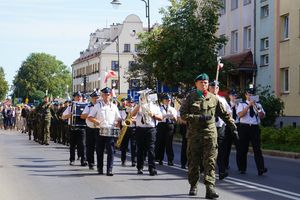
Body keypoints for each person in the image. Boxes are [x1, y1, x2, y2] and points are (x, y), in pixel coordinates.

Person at [180, 73, 237, 199]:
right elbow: (183, 115)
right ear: (196, 84)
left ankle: (209, 188)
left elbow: (224, 114)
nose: (204, 84)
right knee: (193, 161)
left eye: (206, 82)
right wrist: (199, 118)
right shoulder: (190, 97)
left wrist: (233, 125)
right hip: (194, 134)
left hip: (210, 133)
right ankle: (193, 185)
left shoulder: (214, 98)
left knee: (210, 161)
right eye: (202, 82)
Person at [87, 87, 121, 176]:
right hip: (100, 130)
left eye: (108, 95)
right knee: (99, 150)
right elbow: (89, 117)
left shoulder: (114, 106)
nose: (106, 96)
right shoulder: (98, 106)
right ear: (102, 95)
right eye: (105, 94)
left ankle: (109, 169)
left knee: (111, 151)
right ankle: (100, 168)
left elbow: (119, 118)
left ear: (110, 96)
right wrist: (96, 121)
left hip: (110, 130)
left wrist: (118, 122)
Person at [236, 88, 267, 176]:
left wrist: (258, 109)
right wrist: (249, 106)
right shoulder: (241, 104)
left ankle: (261, 168)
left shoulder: (258, 105)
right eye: (249, 94)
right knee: (243, 149)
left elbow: (262, 116)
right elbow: (240, 115)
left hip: (254, 128)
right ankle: (242, 168)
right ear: (246, 95)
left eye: (252, 95)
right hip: (244, 127)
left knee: (257, 149)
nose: (250, 96)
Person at [131, 91, 163, 176]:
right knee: (140, 149)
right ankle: (139, 167)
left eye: (145, 96)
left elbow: (161, 117)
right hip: (140, 129)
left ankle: (152, 168)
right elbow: (132, 114)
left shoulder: (155, 106)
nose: (144, 98)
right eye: (142, 96)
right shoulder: (138, 106)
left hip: (151, 129)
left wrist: (153, 115)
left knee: (151, 149)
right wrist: (138, 106)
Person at [208, 81, 234, 180]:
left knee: (221, 150)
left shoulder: (222, 100)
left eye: (216, 87)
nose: (214, 88)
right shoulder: (205, 98)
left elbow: (229, 112)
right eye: (212, 86)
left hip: (220, 127)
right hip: (209, 127)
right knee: (209, 150)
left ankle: (222, 171)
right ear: (209, 88)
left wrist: (230, 123)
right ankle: (207, 170)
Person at [62, 91, 87, 166]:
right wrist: (69, 115)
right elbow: (63, 117)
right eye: (77, 97)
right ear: (74, 97)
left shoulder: (86, 106)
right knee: (72, 145)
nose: (79, 98)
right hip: (72, 127)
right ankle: (72, 159)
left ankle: (83, 160)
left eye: (80, 97)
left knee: (82, 144)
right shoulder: (70, 107)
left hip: (82, 127)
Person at [155, 94, 177, 166]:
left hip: (170, 126)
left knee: (169, 144)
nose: (168, 101)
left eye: (169, 100)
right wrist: (164, 116)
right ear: (163, 101)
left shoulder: (172, 109)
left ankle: (170, 160)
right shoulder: (159, 108)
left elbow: (176, 119)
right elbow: (158, 116)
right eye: (166, 100)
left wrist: (172, 117)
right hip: (161, 125)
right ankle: (160, 159)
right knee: (160, 143)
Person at [81, 91, 100, 170]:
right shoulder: (88, 107)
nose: (96, 99)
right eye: (94, 98)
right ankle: (91, 163)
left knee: (99, 147)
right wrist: (91, 115)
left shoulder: (101, 106)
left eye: (97, 98)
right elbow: (82, 116)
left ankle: (100, 164)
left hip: (99, 128)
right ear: (91, 99)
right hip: (90, 128)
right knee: (90, 147)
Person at [119, 95, 137, 167]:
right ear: (126, 103)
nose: (130, 104)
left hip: (133, 129)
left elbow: (138, 120)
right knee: (124, 146)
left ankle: (133, 161)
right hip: (125, 129)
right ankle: (123, 160)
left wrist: (133, 120)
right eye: (129, 102)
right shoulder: (122, 110)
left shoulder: (136, 110)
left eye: (131, 102)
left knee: (133, 146)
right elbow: (120, 119)